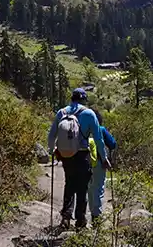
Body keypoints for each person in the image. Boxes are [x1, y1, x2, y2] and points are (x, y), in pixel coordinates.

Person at [47, 88, 109, 229]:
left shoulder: (62, 112)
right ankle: (80, 220)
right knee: (82, 188)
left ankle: (65, 218)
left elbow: (51, 135)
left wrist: (52, 151)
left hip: (66, 156)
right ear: (83, 100)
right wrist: (104, 158)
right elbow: (99, 139)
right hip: (82, 155)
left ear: (72, 98)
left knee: (69, 184)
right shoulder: (89, 113)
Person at [89, 124, 117, 223]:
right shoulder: (101, 129)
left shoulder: (82, 128)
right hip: (100, 163)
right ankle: (96, 217)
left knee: (90, 189)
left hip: (85, 163)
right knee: (98, 189)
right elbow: (113, 144)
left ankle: (91, 214)